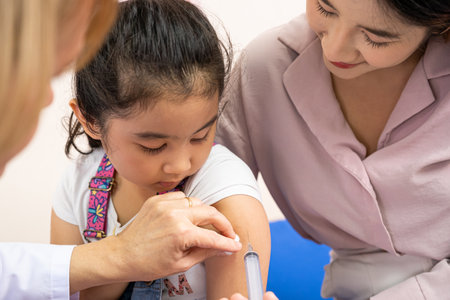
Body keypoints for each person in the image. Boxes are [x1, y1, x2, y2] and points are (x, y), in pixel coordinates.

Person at [0, 0, 243, 298]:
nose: (180, 165)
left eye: (200, 136)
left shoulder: (226, 196)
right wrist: (125, 255)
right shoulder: (78, 186)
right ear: (90, 119)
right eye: (153, 146)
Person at [216, 0, 450, 299]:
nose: (334, 50)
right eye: (325, 8)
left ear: (441, 24)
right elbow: (204, 197)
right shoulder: (266, 68)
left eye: (375, 38)